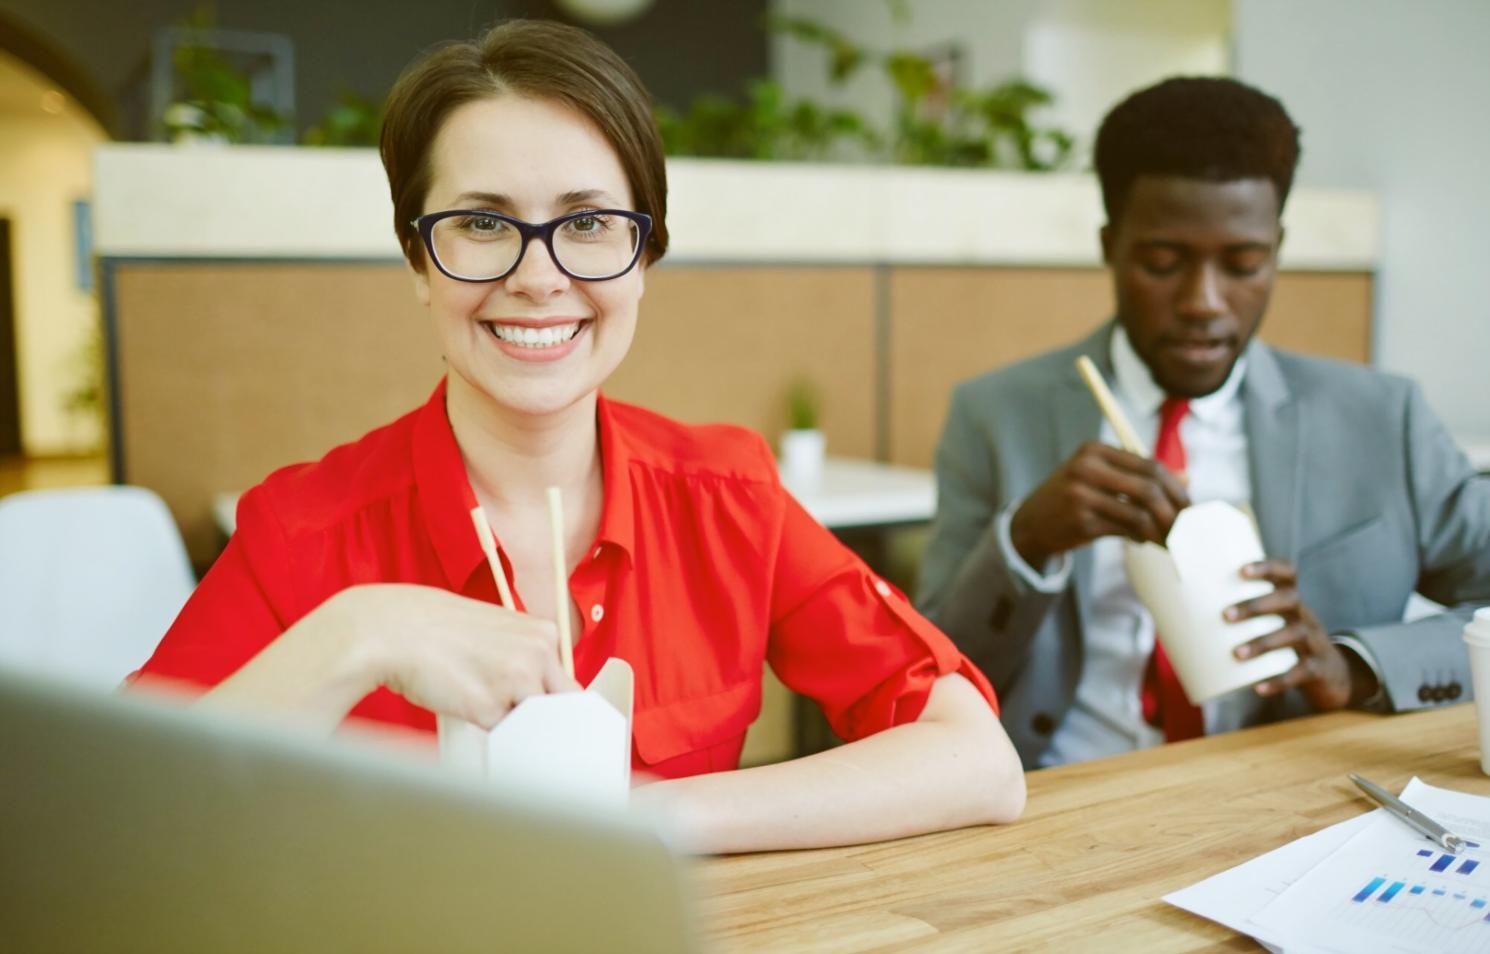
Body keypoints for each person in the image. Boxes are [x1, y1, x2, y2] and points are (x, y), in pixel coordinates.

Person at [132, 19, 1024, 851]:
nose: (538, 276)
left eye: (588, 223)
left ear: (646, 256)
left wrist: (626, 823)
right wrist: (361, 633)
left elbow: (977, 762)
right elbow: (111, 823)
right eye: (482, 224)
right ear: (416, 260)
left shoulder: (728, 494)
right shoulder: (304, 529)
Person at [916, 76, 1490, 768]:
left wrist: (1356, 666)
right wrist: (1025, 540)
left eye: (1244, 264)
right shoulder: (995, 413)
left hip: (1291, 801)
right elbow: (923, 672)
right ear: (1110, 245)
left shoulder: (1381, 418)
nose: (1204, 303)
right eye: (1163, 263)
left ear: (1277, 247)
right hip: (1062, 796)